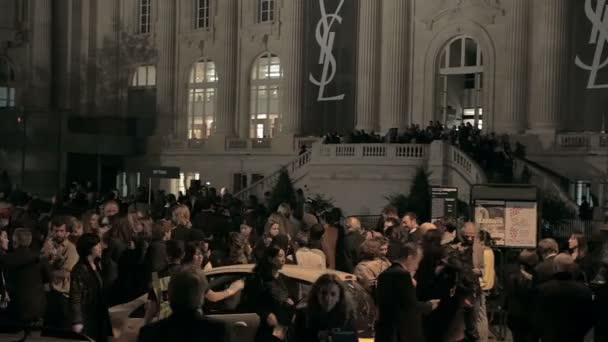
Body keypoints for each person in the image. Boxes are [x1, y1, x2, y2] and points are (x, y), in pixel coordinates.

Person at [138, 267, 230, 342]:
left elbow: (151, 310)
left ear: (170, 294)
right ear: (201, 297)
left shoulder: (149, 333)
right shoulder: (217, 331)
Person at [375, 242, 440, 342]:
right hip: (400, 333)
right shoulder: (402, 275)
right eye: (417, 262)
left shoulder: (385, 273)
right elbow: (410, 306)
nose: (417, 267)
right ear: (410, 257)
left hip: (385, 330)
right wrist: (430, 305)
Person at [1, 228, 49, 341]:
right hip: (38, 308)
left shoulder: (6, 259)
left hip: (14, 309)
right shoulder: (39, 258)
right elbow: (48, 279)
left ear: (15, 241)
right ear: (30, 241)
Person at [535, 253, 593, 342]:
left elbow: (537, 315)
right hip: (575, 336)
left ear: (555, 268)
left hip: (550, 335)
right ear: (572, 268)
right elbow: (589, 317)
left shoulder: (542, 289)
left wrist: (542, 333)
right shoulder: (585, 290)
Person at [69, 233, 112, 342]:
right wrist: (77, 321)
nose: (100, 247)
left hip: (99, 315)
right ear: (89, 249)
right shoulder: (79, 270)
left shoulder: (96, 265)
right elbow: (76, 297)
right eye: (97, 245)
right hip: (88, 318)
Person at [248, 245, 294, 342]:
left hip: (281, 326)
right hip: (266, 327)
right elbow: (252, 302)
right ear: (271, 259)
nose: (283, 259)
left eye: (284, 256)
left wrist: (289, 301)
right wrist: (266, 314)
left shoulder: (284, 278)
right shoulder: (260, 279)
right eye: (280, 256)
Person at [293, 274, 358, 342]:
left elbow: (353, 339)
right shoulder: (304, 315)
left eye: (333, 294)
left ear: (339, 297)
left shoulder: (347, 317)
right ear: (316, 294)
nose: (327, 299)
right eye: (323, 293)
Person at [42, 216, 79, 331]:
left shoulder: (71, 248)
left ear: (67, 232)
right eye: (55, 231)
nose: (58, 234)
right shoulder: (48, 245)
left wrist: (47, 271)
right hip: (49, 292)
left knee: (61, 329)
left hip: (62, 294)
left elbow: (66, 273)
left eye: (61, 231)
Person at [505, 249, 538, 342]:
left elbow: (510, 296)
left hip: (516, 317)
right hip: (531, 317)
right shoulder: (536, 276)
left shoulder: (512, 275)